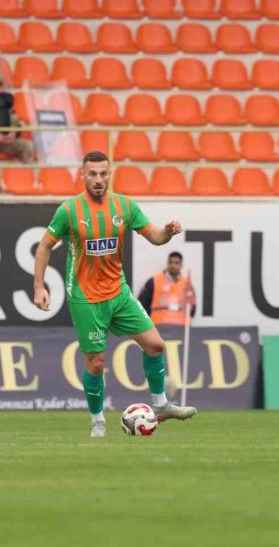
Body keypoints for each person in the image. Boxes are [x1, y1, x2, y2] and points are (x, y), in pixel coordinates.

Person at [33, 151, 197, 437]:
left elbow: (156, 237)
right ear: (82, 175)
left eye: (103, 173)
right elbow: (45, 246)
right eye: (92, 174)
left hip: (118, 293)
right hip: (85, 298)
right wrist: (38, 286)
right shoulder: (69, 211)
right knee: (96, 365)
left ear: (110, 174)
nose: (98, 179)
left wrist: (168, 233)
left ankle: (160, 406)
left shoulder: (124, 206)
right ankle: (98, 421)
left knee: (155, 345)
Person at [0, 75, 34, 163]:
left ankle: (29, 173)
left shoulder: (6, 100)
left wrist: (13, 132)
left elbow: (14, 119)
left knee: (27, 145)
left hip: (5, 140)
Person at [138, 252, 197, 326]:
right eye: (170, 262)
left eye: (176, 263)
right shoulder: (154, 281)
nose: (173, 265)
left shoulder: (187, 284)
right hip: (158, 325)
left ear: (181, 265)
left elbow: (192, 306)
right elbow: (142, 304)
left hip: (181, 327)